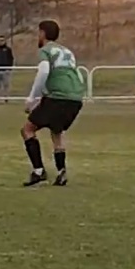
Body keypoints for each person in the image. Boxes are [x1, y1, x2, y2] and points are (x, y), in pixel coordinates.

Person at [21, 20, 86, 187]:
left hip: (58, 96)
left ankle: (38, 171)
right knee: (57, 131)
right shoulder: (67, 51)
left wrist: (31, 98)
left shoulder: (46, 50)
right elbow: (73, 74)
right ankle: (61, 171)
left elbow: (43, 71)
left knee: (28, 130)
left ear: (42, 33)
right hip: (75, 98)